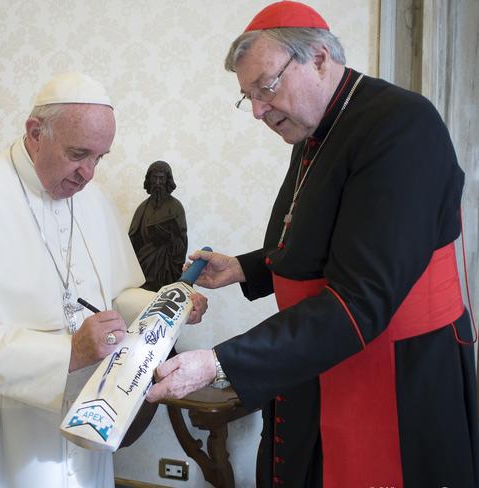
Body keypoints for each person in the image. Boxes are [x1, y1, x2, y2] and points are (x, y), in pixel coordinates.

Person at [147, 2, 479, 487]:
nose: (258, 110)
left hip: (393, 373)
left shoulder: (401, 125)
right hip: (323, 354)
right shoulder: (314, 128)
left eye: (266, 87)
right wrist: (244, 268)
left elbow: (363, 294)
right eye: (249, 97)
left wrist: (219, 362)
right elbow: (322, 237)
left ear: (319, 57)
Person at [0, 72, 207, 488]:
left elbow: (116, 293)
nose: (88, 173)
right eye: (78, 154)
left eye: (99, 158)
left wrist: (166, 304)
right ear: (35, 133)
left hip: (81, 406)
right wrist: (66, 353)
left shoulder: (92, 197)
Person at [129, 160, 188, 292]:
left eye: (161, 178)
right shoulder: (142, 208)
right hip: (143, 268)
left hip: (167, 269)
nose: (157, 183)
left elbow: (181, 244)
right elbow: (132, 241)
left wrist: (168, 237)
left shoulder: (176, 207)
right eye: (154, 178)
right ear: (149, 180)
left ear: (167, 180)